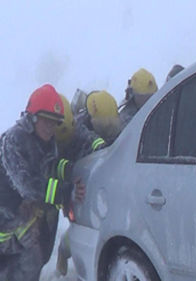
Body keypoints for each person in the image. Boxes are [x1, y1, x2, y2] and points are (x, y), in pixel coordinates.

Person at [0, 84, 85, 281]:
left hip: (20, 217)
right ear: (33, 117)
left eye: (54, 122)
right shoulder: (13, 140)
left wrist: (72, 170)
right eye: (47, 121)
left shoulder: (46, 141)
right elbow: (28, 185)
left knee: (33, 259)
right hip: (5, 216)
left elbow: (51, 165)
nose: (51, 127)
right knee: (22, 262)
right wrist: (66, 192)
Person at [55, 91, 119, 276]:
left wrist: (105, 151)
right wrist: (68, 184)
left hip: (86, 182)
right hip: (71, 187)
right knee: (79, 224)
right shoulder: (66, 133)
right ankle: (64, 251)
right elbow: (51, 167)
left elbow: (96, 142)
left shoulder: (83, 128)